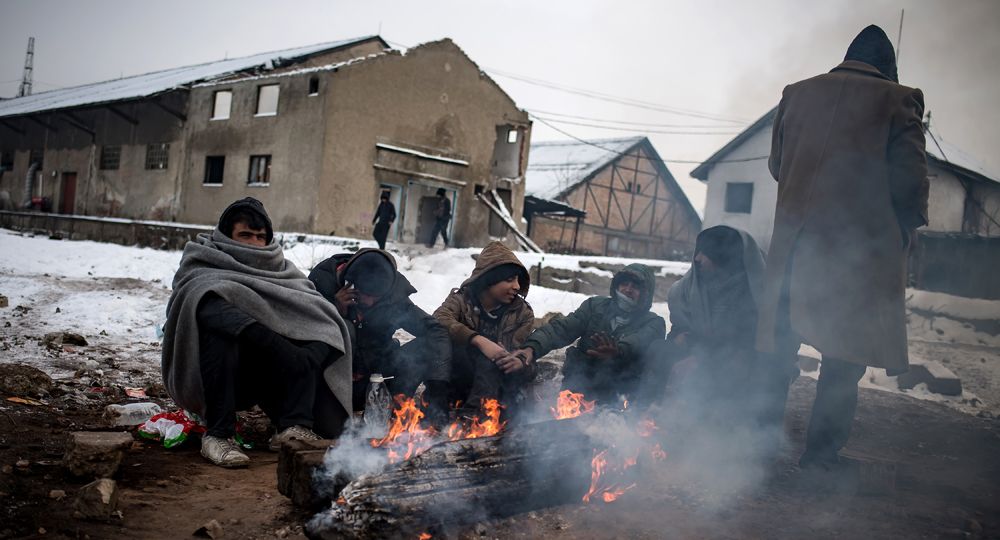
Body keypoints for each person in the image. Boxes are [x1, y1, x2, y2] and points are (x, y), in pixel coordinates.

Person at [756, 25, 929, 471]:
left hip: (794, 248)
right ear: (888, 67)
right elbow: (908, 182)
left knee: (778, 350)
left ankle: (754, 445)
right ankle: (819, 458)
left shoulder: (796, 93)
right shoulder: (899, 98)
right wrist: (906, 227)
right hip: (854, 258)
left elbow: (778, 166)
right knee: (842, 360)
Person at [161, 197, 352, 468]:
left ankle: (292, 427)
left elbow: (320, 317)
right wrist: (279, 346)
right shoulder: (204, 262)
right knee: (221, 333)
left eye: (260, 237)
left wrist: (309, 356)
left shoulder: (284, 273)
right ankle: (218, 435)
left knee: (303, 323)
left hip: (266, 379)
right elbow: (206, 306)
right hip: (213, 378)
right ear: (227, 236)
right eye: (245, 235)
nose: (254, 243)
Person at [643, 226, 797, 432]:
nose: (697, 258)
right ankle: (657, 421)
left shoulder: (758, 293)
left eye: (705, 253)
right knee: (659, 349)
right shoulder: (687, 289)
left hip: (747, 359)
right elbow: (681, 329)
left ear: (725, 256)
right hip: (701, 351)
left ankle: (755, 438)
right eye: (697, 251)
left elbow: (751, 343)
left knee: (771, 367)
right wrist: (680, 339)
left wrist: (702, 360)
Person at [308, 249, 452, 424]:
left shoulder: (393, 293)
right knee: (333, 431)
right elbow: (301, 329)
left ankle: (396, 412)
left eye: (376, 297)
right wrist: (333, 309)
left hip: (373, 380)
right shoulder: (322, 283)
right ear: (350, 284)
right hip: (331, 382)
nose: (369, 302)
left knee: (419, 348)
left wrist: (438, 385)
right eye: (365, 294)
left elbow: (435, 330)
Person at [513, 264, 666, 405]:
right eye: (624, 284)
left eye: (635, 287)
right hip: (579, 390)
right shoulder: (595, 306)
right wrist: (532, 348)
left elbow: (639, 341)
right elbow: (562, 328)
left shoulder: (654, 322)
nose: (628, 289)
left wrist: (619, 351)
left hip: (620, 397)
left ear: (646, 294)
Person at [433, 241, 535, 417]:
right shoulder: (461, 300)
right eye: (509, 280)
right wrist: (479, 341)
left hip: (501, 391)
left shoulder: (522, 313)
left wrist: (518, 361)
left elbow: (529, 361)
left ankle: (475, 418)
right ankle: (432, 411)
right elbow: (439, 319)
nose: (517, 286)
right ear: (490, 281)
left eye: (518, 280)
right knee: (427, 346)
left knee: (493, 360)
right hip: (459, 379)